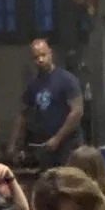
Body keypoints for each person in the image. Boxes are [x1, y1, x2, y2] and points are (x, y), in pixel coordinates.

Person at [17, 37, 84, 168]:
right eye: (36, 57)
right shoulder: (34, 84)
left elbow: (77, 111)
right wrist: (15, 143)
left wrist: (58, 138)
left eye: (43, 55)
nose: (40, 60)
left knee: (68, 181)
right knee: (49, 182)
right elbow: (23, 114)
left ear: (50, 53)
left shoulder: (66, 79)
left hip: (68, 143)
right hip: (45, 145)